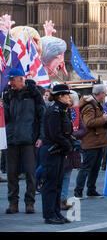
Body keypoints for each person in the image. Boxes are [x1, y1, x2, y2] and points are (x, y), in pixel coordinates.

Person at [2, 68, 45, 214]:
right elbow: (6, 118)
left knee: (30, 173)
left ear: (21, 79)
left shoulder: (34, 94)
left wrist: (41, 136)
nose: (10, 82)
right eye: (10, 80)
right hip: (11, 140)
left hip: (29, 140)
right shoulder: (7, 95)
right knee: (11, 173)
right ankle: (13, 203)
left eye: (13, 79)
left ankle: (29, 202)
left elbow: (42, 117)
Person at [40, 84, 73, 224]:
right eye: (67, 95)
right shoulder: (54, 111)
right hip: (52, 151)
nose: (69, 97)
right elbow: (55, 134)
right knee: (50, 184)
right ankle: (49, 215)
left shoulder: (63, 110)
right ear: (60, 96)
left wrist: (68, 142)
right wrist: (68, 145)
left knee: (58, 183)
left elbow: (65, 132)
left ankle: (56, 212)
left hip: (59, 151)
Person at [74, 84, 107, 199]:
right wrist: (103, 119)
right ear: (100, 94)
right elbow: (88, 123)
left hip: (98, 140)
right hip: (91, 141)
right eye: (105, 93)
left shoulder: (96, 104)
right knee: (86, 167)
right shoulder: (90, 106)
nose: (106, 95)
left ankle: (91, 190)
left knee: (95, 167)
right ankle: (78, 192)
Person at [60, 91, 86, 210]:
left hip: (71, 148)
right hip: (60, 147)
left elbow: (83, 129)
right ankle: (56, 199)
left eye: (70, 98)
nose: (68, 100)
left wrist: (74, 134)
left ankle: (63, 200)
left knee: (67, 175)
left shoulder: (76, 112)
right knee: (58, 175)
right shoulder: (57, 111)